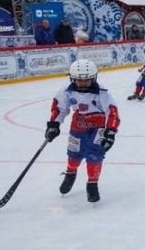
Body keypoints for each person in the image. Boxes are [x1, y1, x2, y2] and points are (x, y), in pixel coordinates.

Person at [45, 59, 120, 203]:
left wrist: (110, 132)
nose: (83, 84)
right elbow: (59, 108)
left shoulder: (102, 93)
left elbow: (112, 112)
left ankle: (92, 183)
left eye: (87, 80)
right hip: (78, 124)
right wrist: (54, 124)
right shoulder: (66, 91)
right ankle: (70, 172)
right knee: (74, 155)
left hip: (98, 127)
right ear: (72, 78)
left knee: (95, 154)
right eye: (79, 81)